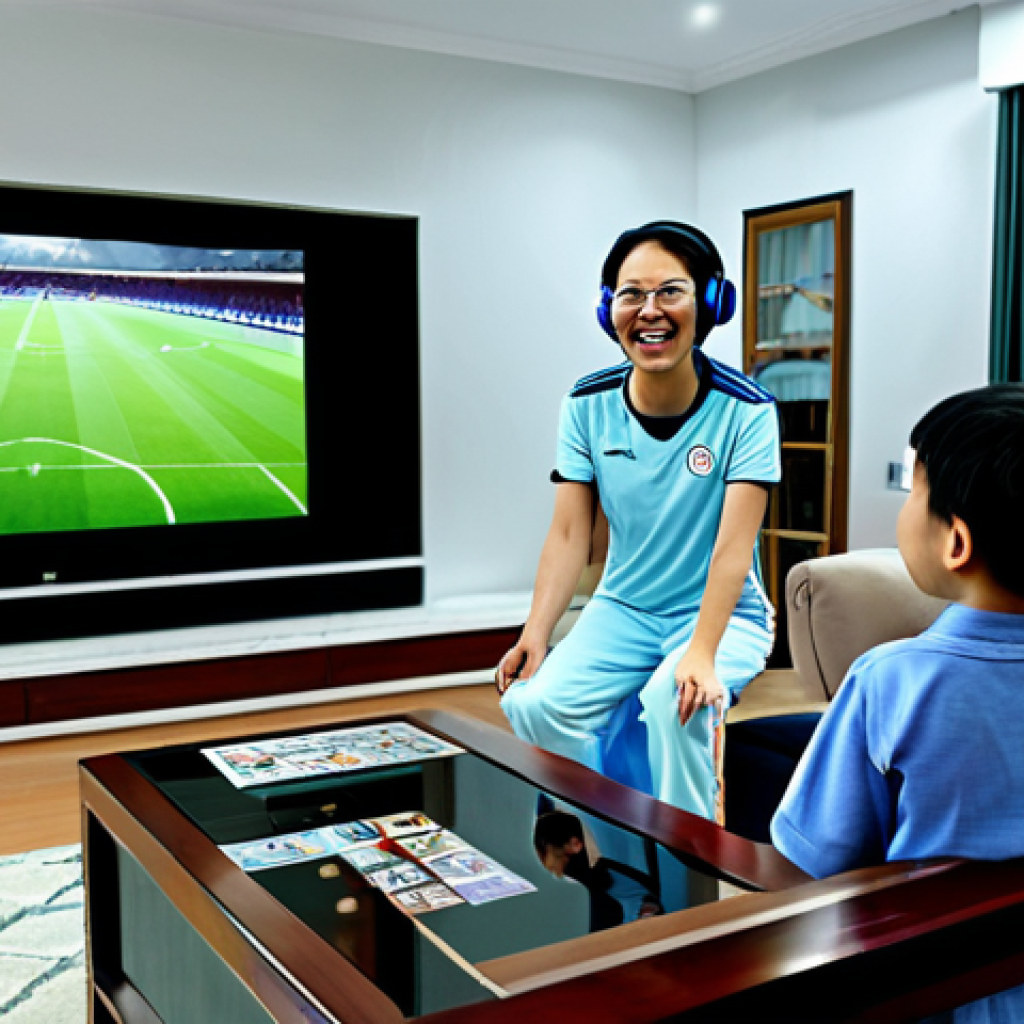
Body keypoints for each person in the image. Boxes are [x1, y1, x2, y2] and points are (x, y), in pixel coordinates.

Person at [497, 221, 780, 821]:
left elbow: (733, 549)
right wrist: (535, 632)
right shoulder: (585, 403)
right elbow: (569, 534)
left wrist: (701, 652)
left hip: (724, 615)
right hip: (623, 607)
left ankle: (691, 863)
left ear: (711, 303)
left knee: (677, 703)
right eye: (632, 294)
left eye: (671, 291)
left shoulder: (748, 410)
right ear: (609, 310)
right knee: (533, 704)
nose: (650, 311)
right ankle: (605, 831)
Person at [771, 384, 1024, 1024]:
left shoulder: (889, 680)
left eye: (913, 489)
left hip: (937, 990)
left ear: (956, 542)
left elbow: (817, 857)